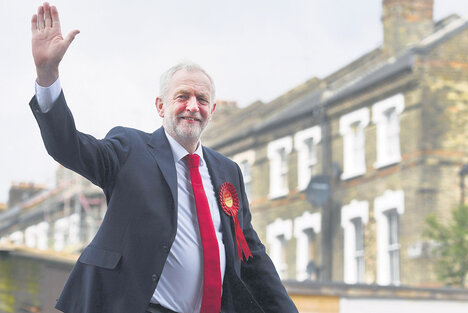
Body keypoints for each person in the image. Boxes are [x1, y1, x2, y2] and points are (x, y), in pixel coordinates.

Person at [30, 3, 299, 313]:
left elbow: (251, 255)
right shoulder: (130, 149)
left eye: (202, 99)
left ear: (212, 111)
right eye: (182, 96)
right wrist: (47, 76)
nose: (192, 106)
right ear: (160, 106)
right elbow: (68, 147)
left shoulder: (228, 172)